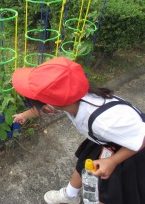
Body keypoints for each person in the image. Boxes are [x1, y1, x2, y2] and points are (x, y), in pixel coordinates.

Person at [12, 57, 145, 204]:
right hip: (106, 140)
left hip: (131, 149)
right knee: (83, 165)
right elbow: (44, 108)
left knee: (109, 192)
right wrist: (24, 115)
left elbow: (141, 137)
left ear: (52, 102)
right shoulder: (73, 95)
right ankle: (70, 195)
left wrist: (113, 161)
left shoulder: (104, 122)